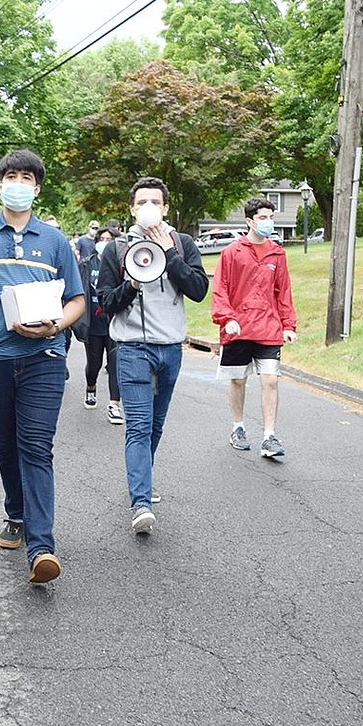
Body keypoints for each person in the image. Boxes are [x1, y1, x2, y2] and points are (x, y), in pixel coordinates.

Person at [0, 149, 84, 584]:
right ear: (0, 185)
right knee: (6, 443)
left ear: (37, 187)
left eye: (26, 177)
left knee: (35, 446)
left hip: (44, 358)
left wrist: (56, 328)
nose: (18, 183)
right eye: (11, 176)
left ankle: (41, 547)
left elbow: (77, 300)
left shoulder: (55, 241)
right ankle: (15, 511)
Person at [97, 176, 209, 535]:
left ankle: (142, 479)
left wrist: (171, 255)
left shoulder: (184, 243)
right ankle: (140, 503)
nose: (148, 207)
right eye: (141, 201)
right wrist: (131, 282)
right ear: (132, 209)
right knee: (139, 426)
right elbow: (106, 302)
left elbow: (198, 289)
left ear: (165, 208)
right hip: (131, 348)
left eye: (155, 202)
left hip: (171, 348)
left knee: (156, 426)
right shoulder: (116, 250)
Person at [210, 197, 298, 459]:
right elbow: (220, 289)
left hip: (269, 328)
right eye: (262, 218)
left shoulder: (277, 254)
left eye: (270, 217)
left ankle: (269, 436)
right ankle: (238, 427)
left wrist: (288, 324)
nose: (267, 222)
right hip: (238, 327)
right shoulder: (232, 252)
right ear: (249, 221)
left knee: (270, 380)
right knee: (238, 379)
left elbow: (283, 291)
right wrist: (227, 318)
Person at [77, 227, 123, 425]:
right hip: (93, 324)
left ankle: (114, 404)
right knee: (94, 364)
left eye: (109, 239)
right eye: (101, 238)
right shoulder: (86, 264)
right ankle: (91, 387)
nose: (105, 242)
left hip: (114, 322)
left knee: (115, 365)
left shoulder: (120, 263)